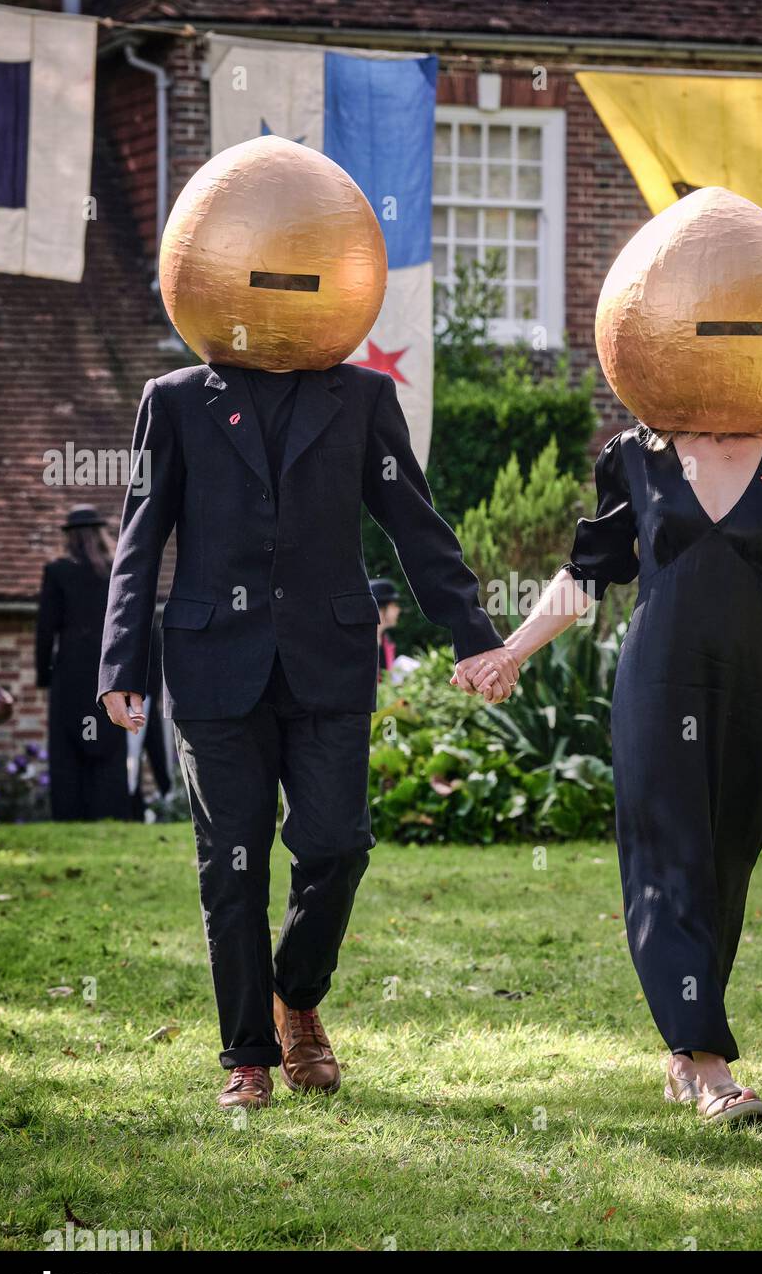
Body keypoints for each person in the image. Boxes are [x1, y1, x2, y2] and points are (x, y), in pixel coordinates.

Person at [98, 137, 517, 1111]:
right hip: (212, 664)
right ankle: (247, 1055)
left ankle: (297, 995)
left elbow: (416, 524)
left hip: (329, 660)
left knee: (337, 846)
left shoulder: (365, 397)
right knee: (231, 863)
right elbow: (138, 537)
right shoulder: (175, 403)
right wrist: (119, 657)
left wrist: (474, 633)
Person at [458, 187, 762, 1125]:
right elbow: (586, 577)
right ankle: (707, 1064)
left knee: (723, 869)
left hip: (754, 694)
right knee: (666, 864)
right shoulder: (632, 459)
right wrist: (510, 649)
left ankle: (684, 1048)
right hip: (656, 686)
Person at [36, 506, 130, 821]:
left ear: (70, 537)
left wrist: (43, 677)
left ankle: (69, 811)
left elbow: (45, 628)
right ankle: (109, 810)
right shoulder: (115, 570)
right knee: (109, 741)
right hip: (108, 669)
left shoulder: (58, 571)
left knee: (67, 746)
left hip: (71, 670)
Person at [370, 577, 400, 678]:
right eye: (393, 605)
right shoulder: (361, 643)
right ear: (381, 608)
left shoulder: (387, 642)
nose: (398, 610)